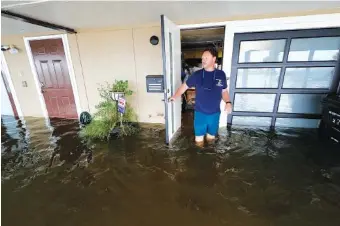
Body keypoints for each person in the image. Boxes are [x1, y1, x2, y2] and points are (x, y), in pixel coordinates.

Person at [169, 47, 232, 144]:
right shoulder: (196, 75)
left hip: (215, 114)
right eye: (202, 58)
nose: (203, 60)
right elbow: (184, 87)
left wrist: (228, 102)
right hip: (200, 114)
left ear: (214, 59)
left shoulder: (221, 74)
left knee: (211, 139)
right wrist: (174, 96)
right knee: (199, 141)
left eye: (206, 58)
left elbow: (224, 91)